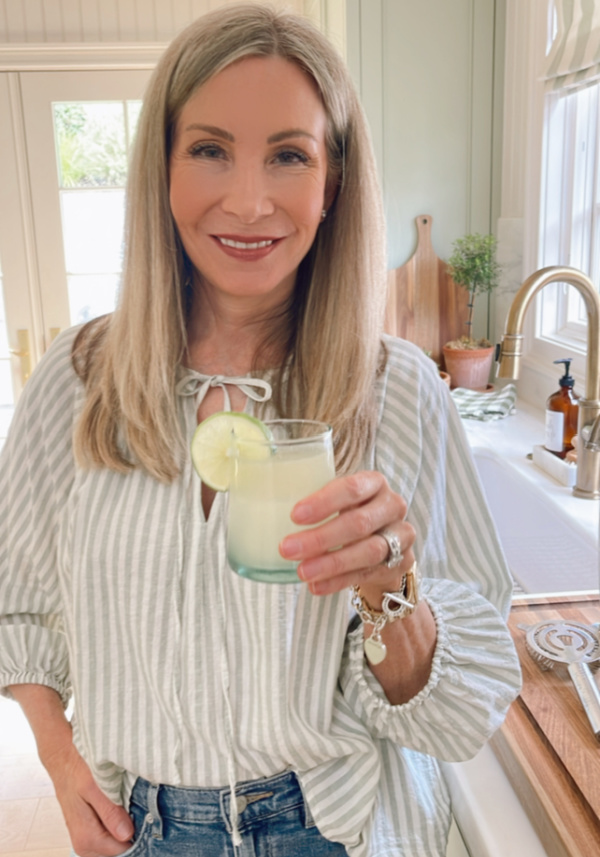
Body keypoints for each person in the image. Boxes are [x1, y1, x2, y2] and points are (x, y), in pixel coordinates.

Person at [0, 5, 521, 856]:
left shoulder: (399, 395)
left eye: (289, 154)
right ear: (162, 170)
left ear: (334, 182)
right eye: (209, 149)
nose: (249, 200)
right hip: (143, 829)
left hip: (336, 827)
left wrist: (391, 585)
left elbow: (458, 712)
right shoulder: (78, 379)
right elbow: (13, 600)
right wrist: (61, 762)